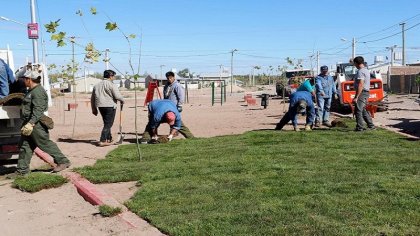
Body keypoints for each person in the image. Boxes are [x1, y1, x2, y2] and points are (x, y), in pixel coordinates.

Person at [16, 67, 71, 175]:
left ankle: (63, 161)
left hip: (36, 124)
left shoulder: (38, 92)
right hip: (29, 123)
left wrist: (31, 124)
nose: (23, 81)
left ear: (29, 79)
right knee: (25, 146)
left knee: (44, 144)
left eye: (25, 79)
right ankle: (22, 171)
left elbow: (38, 110)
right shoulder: (31, 91)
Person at [91, 70, 124, 146]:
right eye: (114, 76)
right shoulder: (111, 85)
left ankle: (109, 138)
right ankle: (102, 140)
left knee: (106, 123)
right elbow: (117, 96)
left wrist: (94, 108)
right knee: (108, 124)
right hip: (110, 106)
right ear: (110, 76)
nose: (114, 78)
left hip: (100, 106)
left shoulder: (97, 85)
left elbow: (92, 98)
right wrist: (122, 100)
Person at [163, 71, 194, 138]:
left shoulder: (177, 85)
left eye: (170, 78)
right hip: (168, 106)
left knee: (177, 121)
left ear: (174, 77)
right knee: (171, 120)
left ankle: (189, 136)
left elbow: (181, 96)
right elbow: (165, 96)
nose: (169, 79)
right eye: (168, 78)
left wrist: (180, 105)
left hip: (174, 107)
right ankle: (174, 133)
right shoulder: (166, 86)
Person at [352, 56, 375, 131]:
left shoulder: (360, 71)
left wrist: (356, 97)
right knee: (363, 110)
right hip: (365, 92)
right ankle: (371, 126)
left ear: (356, 63)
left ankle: (360, 127)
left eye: (354, 63)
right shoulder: (366, 70)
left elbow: (361, 84)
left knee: (358, 110)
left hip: (362, 92)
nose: (354, 65)